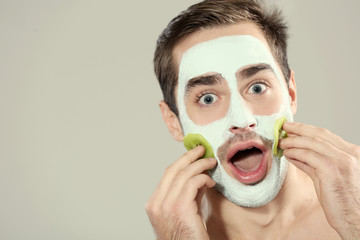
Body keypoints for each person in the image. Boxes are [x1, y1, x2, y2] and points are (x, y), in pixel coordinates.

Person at [145, 0, 360, 239]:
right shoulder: (180, 233)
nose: (242, 119)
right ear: (173, 122)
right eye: (207, 98)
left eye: (257, 88)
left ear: (291, 94)